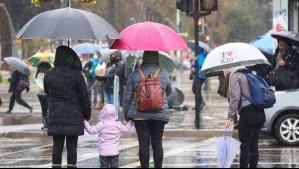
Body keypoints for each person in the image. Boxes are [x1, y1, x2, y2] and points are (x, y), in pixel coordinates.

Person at [44, 46, 91, 168]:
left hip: (56, 115)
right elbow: (84, 97)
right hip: (73, 115)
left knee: (57, 146)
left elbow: (47, 92)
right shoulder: (77, 75)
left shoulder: (49, 74)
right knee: (72, 147)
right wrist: (87, 114)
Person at [123, 51, 172, 168]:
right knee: (157, 144)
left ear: (144, 58)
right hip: (159, 114)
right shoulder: (163, 72)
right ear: (157, 59)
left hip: (140, 114)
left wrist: (127, 115)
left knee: (143, 145)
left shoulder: (135, 73)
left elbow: (127, 96)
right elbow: (169, 91)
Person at [225, 67, 266, 168]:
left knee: (245, 146)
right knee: (254, 145)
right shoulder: (250, 75)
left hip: (248, 113)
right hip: (260, 112)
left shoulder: (235, 77)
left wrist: (230, 117)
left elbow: (235, 98)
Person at [190, 47, 207, 129]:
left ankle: (201, 102)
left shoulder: (202, 56)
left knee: (196, 89)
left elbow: (201, 65)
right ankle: (199, 103)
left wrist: (195, 64)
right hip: (196, 75)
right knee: (195, 89)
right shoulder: (198, 56)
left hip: (200, 76)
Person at [35, 61, 52, 130]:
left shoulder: (38, 72)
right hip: (47, 93)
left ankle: (45, 123)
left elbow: (37, 82)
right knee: (48, 108)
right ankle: (47, 123)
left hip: (40, 93)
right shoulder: (50, 72)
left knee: (44, 108)